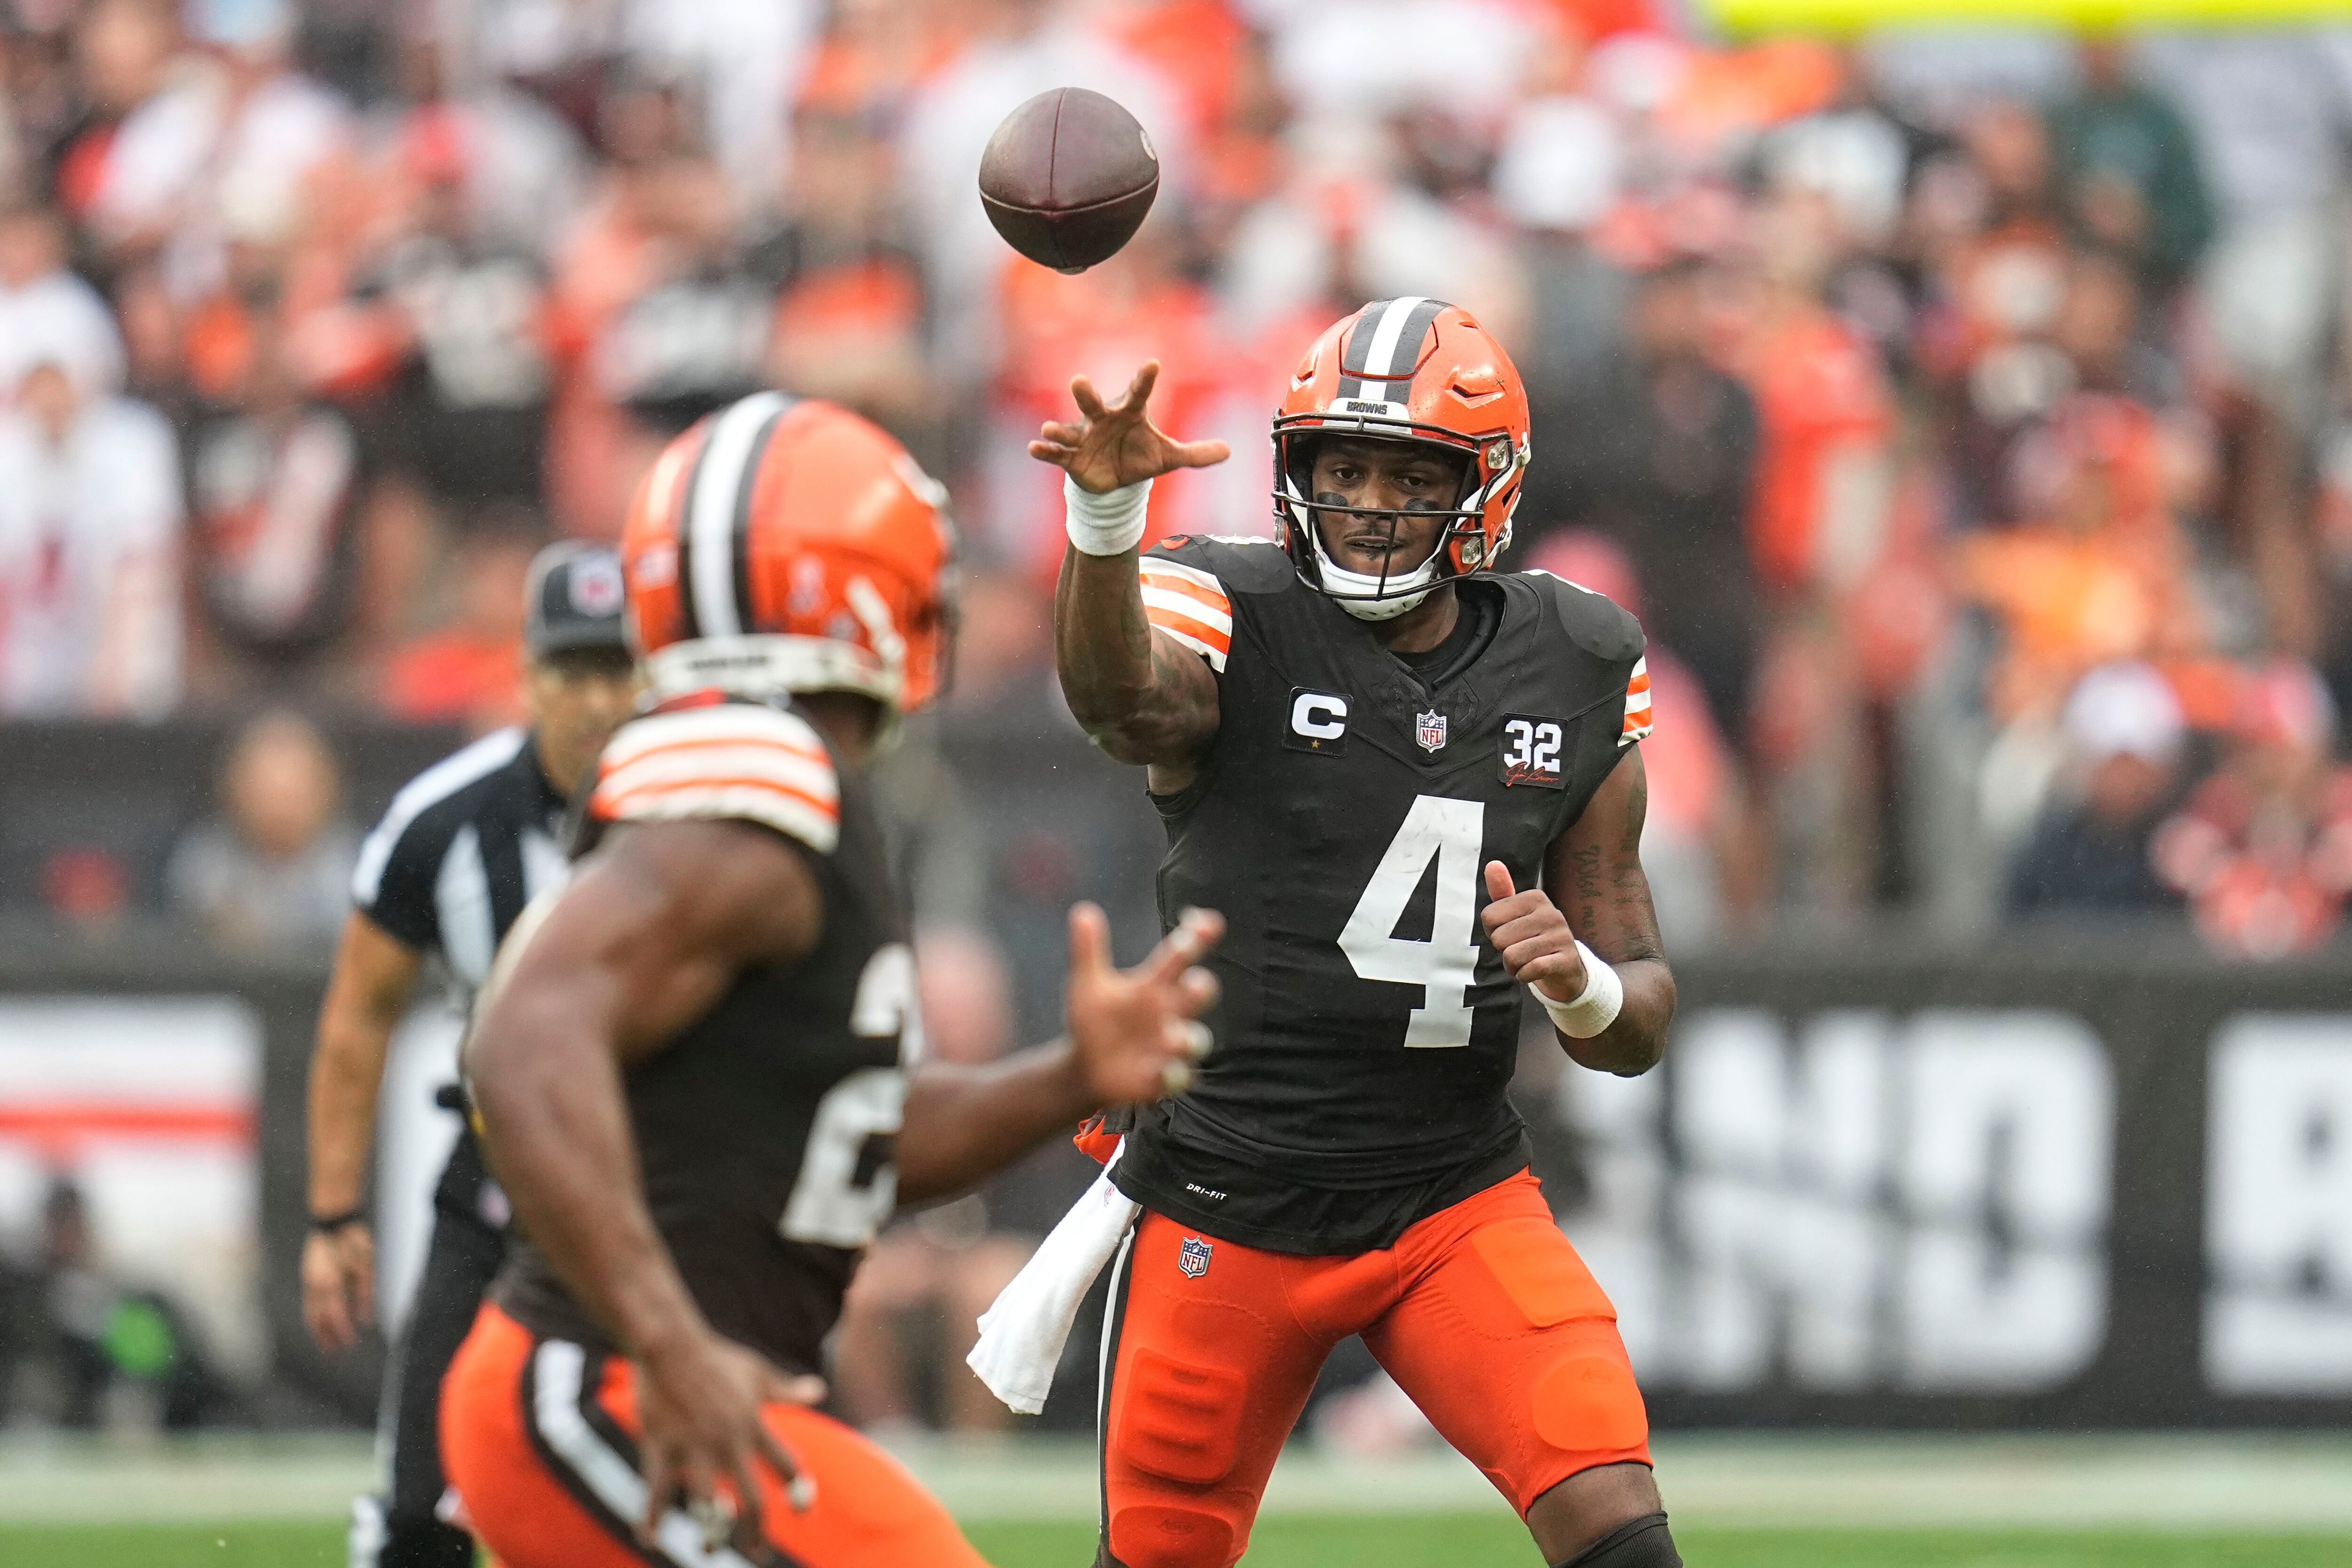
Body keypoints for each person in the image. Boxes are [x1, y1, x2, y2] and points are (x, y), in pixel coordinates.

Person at [438, 392, 1225, 1568]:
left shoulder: (797, 797)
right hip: (608, 1384)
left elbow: (853, 1141)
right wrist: (668, 1342)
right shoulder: (757, 791)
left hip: (658, 1381)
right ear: (864, 588)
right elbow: (520, 1041)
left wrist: (1071, 1075)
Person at [1023, 298, 1682, 1568]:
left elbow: (1640, 1012)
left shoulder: (1578, 657)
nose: (1371, 502)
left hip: (1453, 1196)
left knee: (1621, 1532)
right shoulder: (1234, 605)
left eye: (1409, 473)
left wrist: (1584, 984)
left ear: (1483, 489)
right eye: (1345, 467)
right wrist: (1105, 527)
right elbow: (1120, 702)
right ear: (1296, 473)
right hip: (1230, 1186)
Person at [301, 542, 636, 1568]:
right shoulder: (443, 823)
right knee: (419, 1508)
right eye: (572, 670)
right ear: (527, 673)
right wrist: (332, 1212)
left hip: (656, 1195)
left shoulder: (699, 813)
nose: (595, 699)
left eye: (617, 669)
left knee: (670, 1490)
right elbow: (358, 1013)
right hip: (497, 1191)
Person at [167, 708, 359, 950]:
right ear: (231, 788)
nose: (280, 808)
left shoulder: (359, 872)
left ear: (329, 788)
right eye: (265, 790)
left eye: (294, 792)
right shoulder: (203, 869)